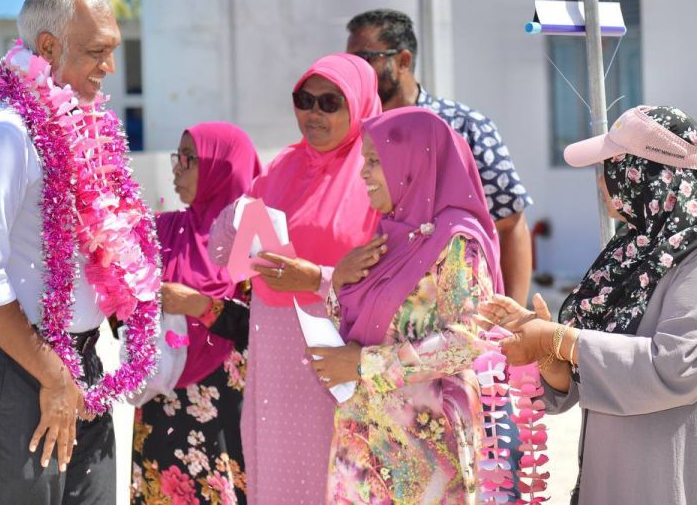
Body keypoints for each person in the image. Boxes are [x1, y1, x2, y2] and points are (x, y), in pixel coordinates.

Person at [0, 0, 157, 504]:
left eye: (112, 50)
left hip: (77, 362)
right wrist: (51, 376)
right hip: (14, 360)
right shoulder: (3, 131)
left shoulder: (72, 128)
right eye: (96, 52)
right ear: (47, 47)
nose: (109, 66)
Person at [479, 106, 697, 504]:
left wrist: (558, 338)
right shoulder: (636, 249)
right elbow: (596, 371)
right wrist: (548, 356)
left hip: (681, 471)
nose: (602, 182)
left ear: (643, 175)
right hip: (625, 469)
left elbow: (680, 365)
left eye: (609, 167)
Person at [209, 53, 382, 503]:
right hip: (274, 358)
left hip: (339, 359)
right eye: (305, 100)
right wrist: (239, 215)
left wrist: (317, 279)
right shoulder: (283, 166)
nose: (313, 114)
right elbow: (225, 256)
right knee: (278, 483)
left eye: (330, 102)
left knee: (338, 483)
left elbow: (393, 278)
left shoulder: (377, 174)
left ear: (360, 105)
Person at [306, 107, 500, 503]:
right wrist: (338, 281)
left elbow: (468, 339)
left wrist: (366, 365)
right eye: (365, 161)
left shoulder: (456, 241)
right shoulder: (391, 235)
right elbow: (355, 328)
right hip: (365, 439)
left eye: (375, 161)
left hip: (425, 449)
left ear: (415, 160)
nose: (363, 173)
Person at [346, 9, 533, 306]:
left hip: (454, 317)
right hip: (375, 311)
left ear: (403, 61)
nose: (357, 71)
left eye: (366, 58)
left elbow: (510, 220)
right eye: (351, 62)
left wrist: (514, 316)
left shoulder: (462, 127)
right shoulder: (353, 131)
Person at [131, 122, 260, 504]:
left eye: (189, 158)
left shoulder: (250, 228)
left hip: (225, 407)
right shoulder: (166, 229)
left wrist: (197, 305)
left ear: (224, 166)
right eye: (178, 157)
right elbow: (120, 311)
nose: (177, 167)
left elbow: (266, 325)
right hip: (163, 399)